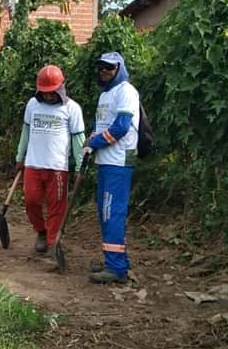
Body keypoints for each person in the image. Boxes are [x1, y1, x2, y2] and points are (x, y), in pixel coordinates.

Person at [15, 64, 86, 255]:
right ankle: (41, 231)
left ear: (60, 89)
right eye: (44, 93)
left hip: (57, 168)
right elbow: (25, 132)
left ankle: (53, 242)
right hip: (33, 164)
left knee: (57, 206)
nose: (48, 96)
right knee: (31, 200)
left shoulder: (72, 109)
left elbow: (79, 141)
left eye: (52, 92)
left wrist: (81, 165)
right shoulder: (32, 105)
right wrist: (20, 157)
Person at [84, 52, 140, 284]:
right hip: (106, 160)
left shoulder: (126, 91)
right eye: (101, 68)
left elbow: (121, 127)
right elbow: (103, 125)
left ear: (119, 68)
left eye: (109, 67)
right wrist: (91, 140)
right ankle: (115, 259)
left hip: (119, 162)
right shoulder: (105, 94)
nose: (104, 71)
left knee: (111, 213)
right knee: (104, 214)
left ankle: (116, 269)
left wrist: (94, 143)